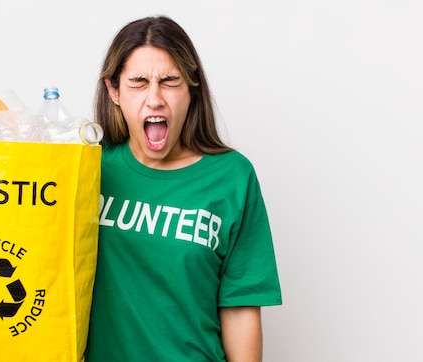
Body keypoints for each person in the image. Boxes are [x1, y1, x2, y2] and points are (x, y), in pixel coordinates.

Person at [86, 15, 282, 362]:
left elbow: (240, 307)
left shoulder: (233, 177)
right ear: (114, 91)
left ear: (191, 88)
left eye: (169, 81)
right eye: (138, 82)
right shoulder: (88, 168)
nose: (155, 99)